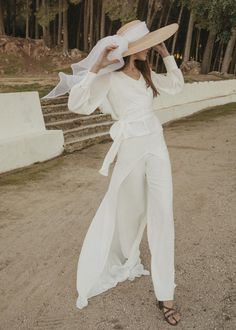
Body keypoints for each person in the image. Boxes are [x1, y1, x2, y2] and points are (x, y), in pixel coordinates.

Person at [46, 20, 185, 326]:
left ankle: (166, 294)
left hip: (156, 146)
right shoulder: (109, 79)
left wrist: (166, 56)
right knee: (129, 212)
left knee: (163, 214)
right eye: (147, 45)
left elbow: (176, 86)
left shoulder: (148, 75)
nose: (149, 48)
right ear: (131, 50)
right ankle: (124, 256)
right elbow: (77, 104)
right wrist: (97, 64)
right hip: (130, 151)